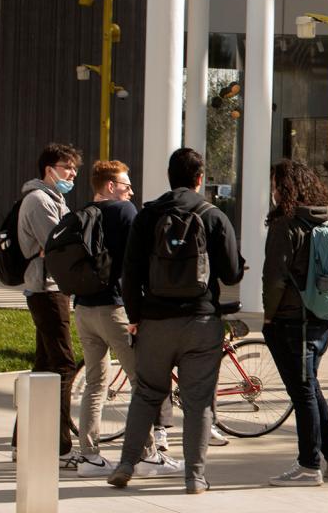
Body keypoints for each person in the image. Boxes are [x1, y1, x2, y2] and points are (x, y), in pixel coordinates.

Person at [108, 148, 244, 495]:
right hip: (200, 321)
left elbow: (130, 272)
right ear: (200, 178)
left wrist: (135, 317)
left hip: (155, 321)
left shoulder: (148, 215)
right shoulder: (213, 216)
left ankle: (126, 464)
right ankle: (194, 477)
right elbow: (230, 272)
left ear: (170, 176)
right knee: (198, 401)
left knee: (147, 394)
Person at [72, 161, 179, 478]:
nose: (130, 190)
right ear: (109, 186)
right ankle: (147, 455)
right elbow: (140, 260)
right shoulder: (124, 211)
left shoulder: (82, 213)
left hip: (83, 309)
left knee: (94, 384)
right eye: (125, 184)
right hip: (114, 309)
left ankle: (89, 456)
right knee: (142, 384)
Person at [261, 160, 328, 486]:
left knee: (303, 394)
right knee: (310, 388)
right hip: (320, 319)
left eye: (275, 184)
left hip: (290, 321)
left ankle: (309, 465)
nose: (272, 191)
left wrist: (268, 315)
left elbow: (274, 277)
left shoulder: (286, 225)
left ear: (284, 188)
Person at [11, 143, 81, 468]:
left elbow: (55, 245)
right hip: (46, 289)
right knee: (64, 366)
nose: (72, 174)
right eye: (67, 168)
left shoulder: (56, 200)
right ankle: (60, 447)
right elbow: (58, 245)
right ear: (48, 168)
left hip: (53, 288)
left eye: (74, 169)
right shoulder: (39, 200)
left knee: (44, 366)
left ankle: (21, 442)